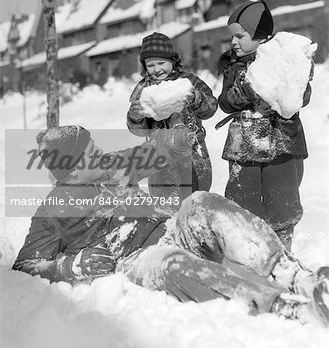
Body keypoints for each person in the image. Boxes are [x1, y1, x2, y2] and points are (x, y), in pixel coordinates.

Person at [12, 125, 329, 327]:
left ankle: (299, 278)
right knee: (170, 264)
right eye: (90, 151)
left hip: (171, 230)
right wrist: (70, 265)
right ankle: (280, 308)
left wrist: (178, 139)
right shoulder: (52, 210)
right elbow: (26, 265)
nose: (99, 153)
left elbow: (150, 153)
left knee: (201, 202)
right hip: (136, 261)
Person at [217, 0, 312, 250]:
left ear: (260, 35)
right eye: (232, 37)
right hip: (245, 142)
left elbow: (301, 98)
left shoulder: (285, 59)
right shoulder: (234, 67)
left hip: (282, 141)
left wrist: (299, 77)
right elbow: (225, 102)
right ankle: (247, 249)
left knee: (282, 197)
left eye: (240, 35)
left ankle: (282, 249)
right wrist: (246, 89)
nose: (234, 42)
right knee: (242, 197)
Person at [127, 32, 218, 203]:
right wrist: (135, 116)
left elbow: (211, 107)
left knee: (196, 197)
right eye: (151, 65)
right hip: (159, 156)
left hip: (192, 151)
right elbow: (139, 131)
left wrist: (197, 99)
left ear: (173, 61)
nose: (157, 69)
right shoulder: (143, 90)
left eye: (162, 63)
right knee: (166, 202)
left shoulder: (188, 81)